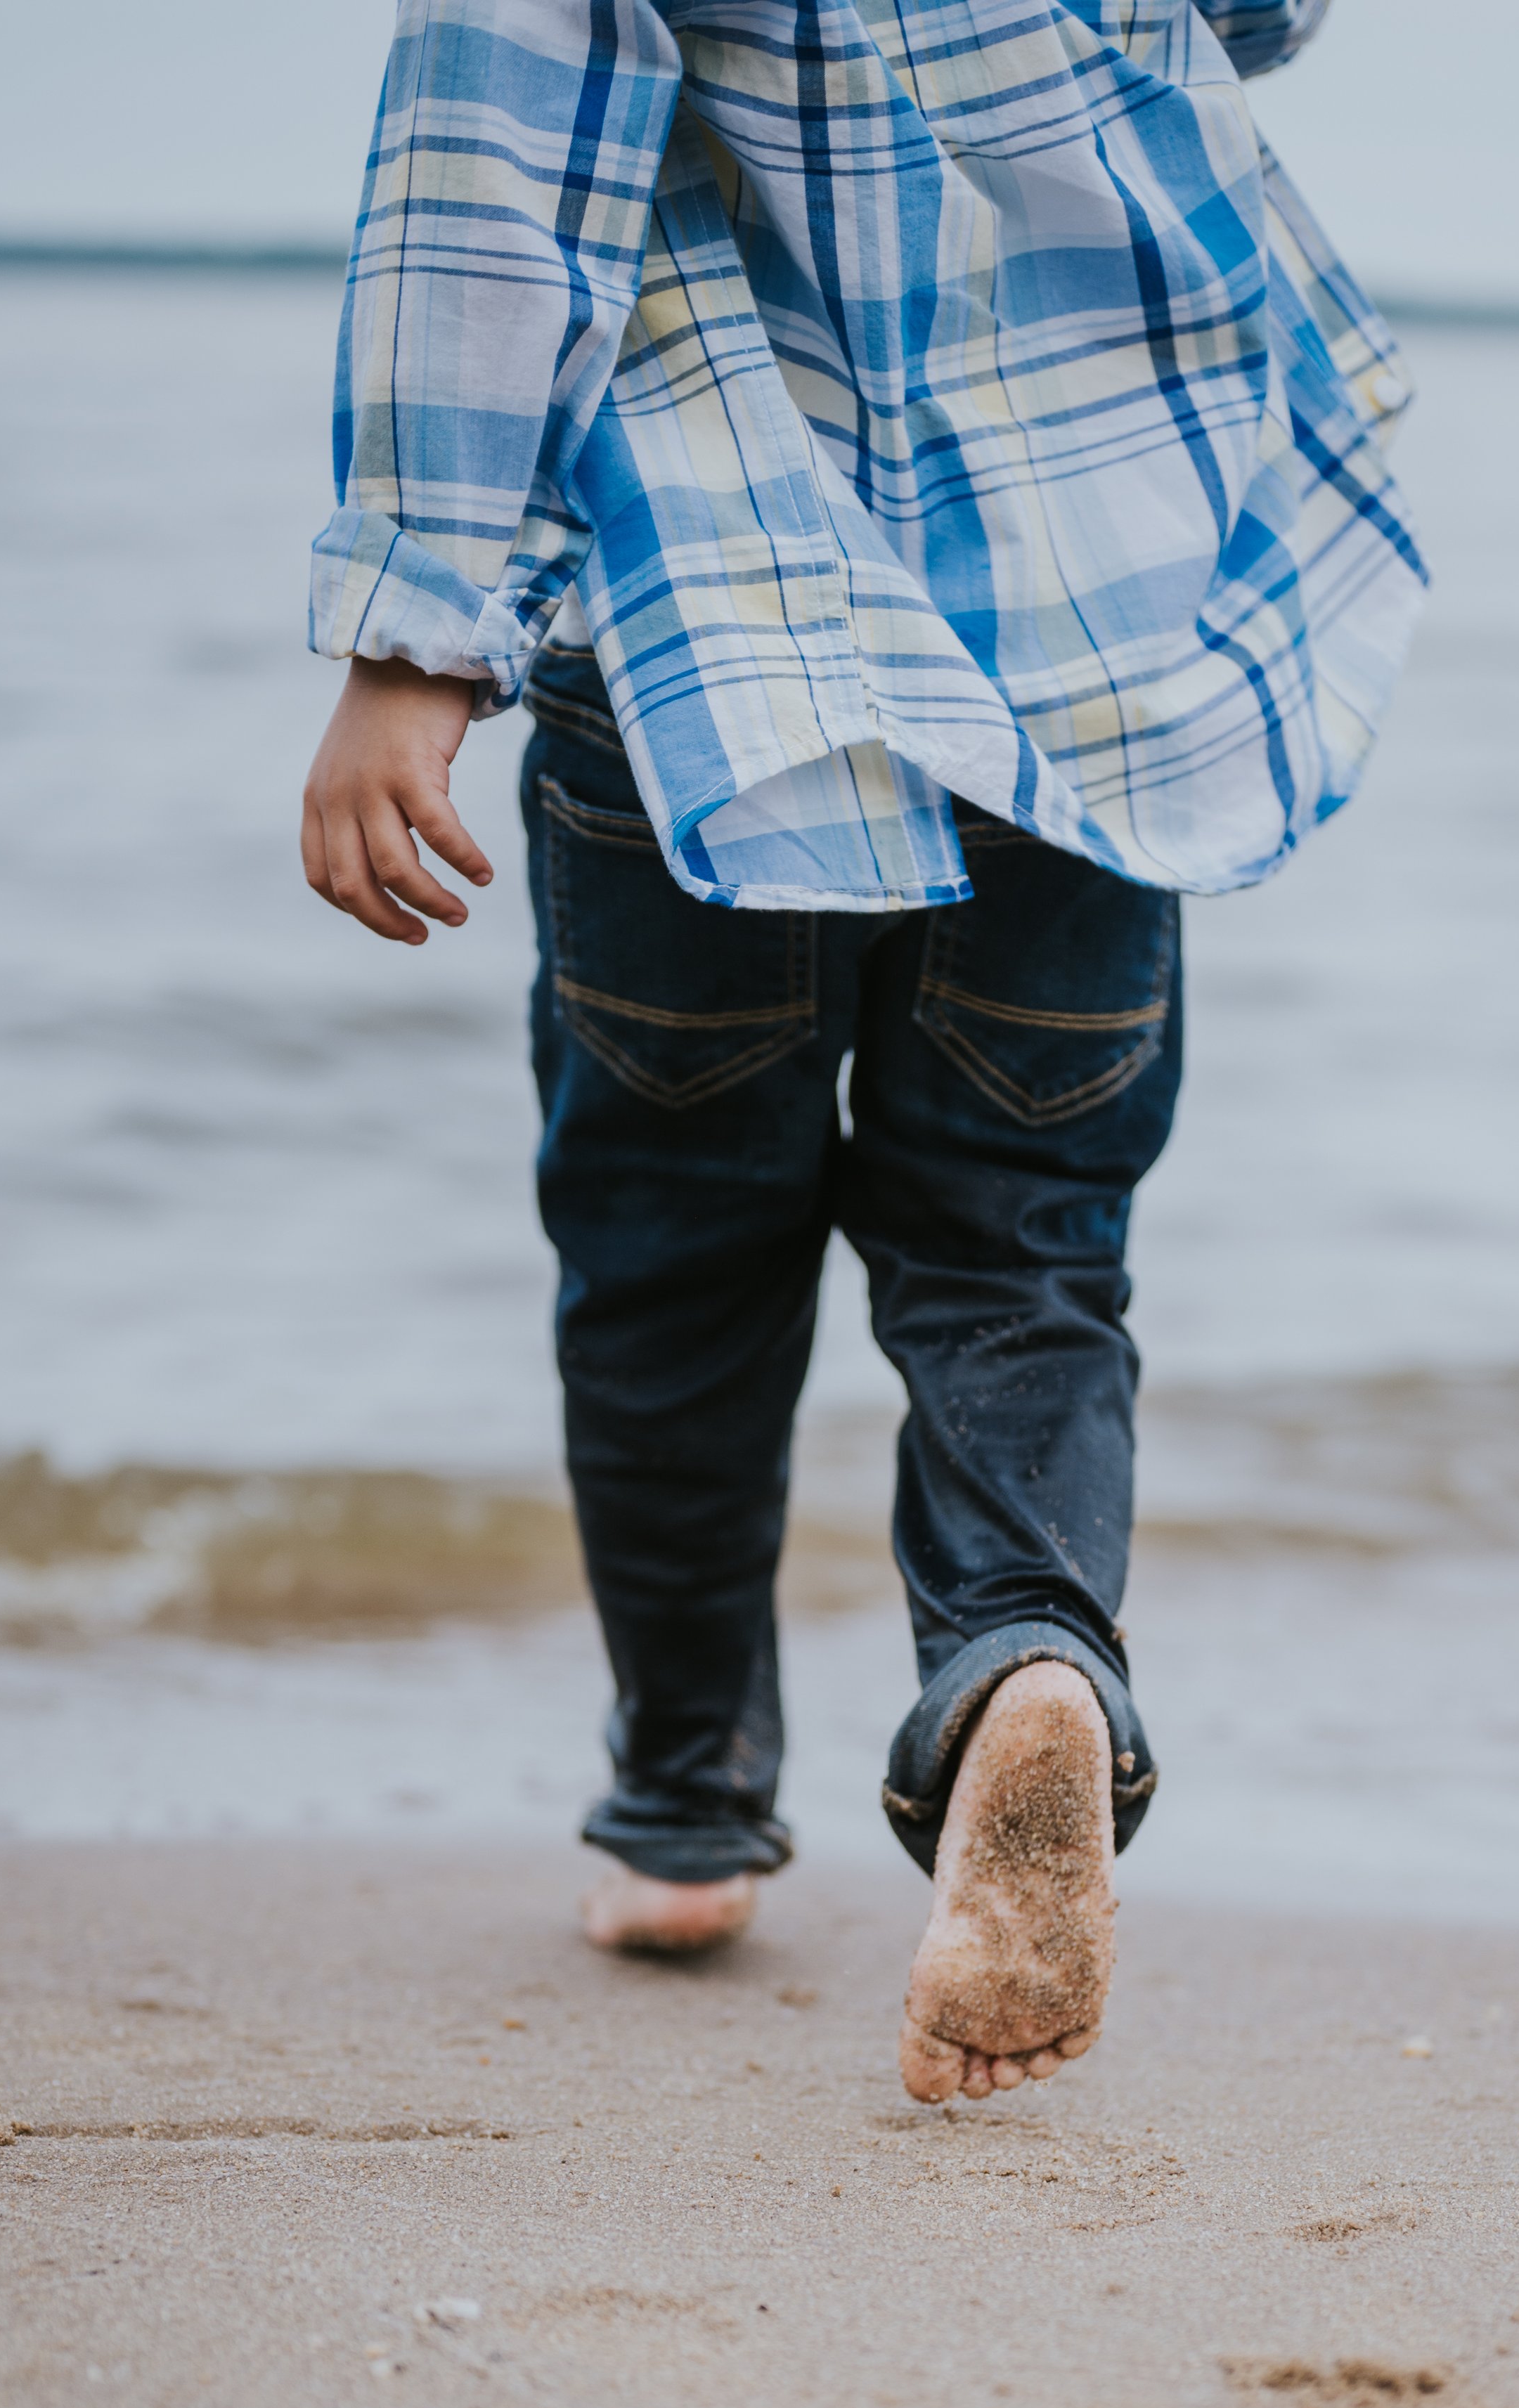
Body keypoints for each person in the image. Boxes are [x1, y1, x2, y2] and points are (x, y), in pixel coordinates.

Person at [301, 0, 1422, 2102]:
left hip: (702, 651)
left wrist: (409, 636)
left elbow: (490, 183)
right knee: (1020, 1246)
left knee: (669, 1258)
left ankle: (681, 1805)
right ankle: (1022, 1662)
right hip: (1093, 638)